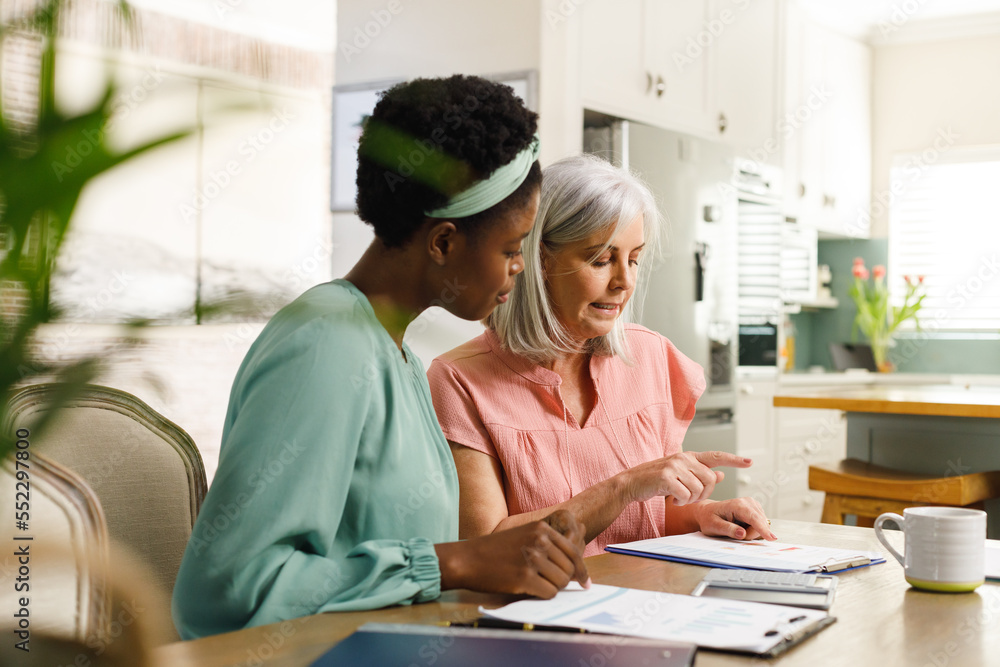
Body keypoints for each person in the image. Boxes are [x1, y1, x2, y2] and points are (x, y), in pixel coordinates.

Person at [171, 76, 589, 640]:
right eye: (512, 249)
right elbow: (226, 590)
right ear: (443, 243)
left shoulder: (397, 353)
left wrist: (498, 559)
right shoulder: (325, 344)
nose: (520, 268)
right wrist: (454, 563)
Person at [428, 154, 774, 557]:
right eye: (601, 259)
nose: (624, 281)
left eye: (634, 259)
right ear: (538, 261)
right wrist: (623, 486)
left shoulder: (651, 356)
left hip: (650, 593)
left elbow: (647, 516)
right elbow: (484, 548)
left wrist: (703, 514)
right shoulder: (458, 380)